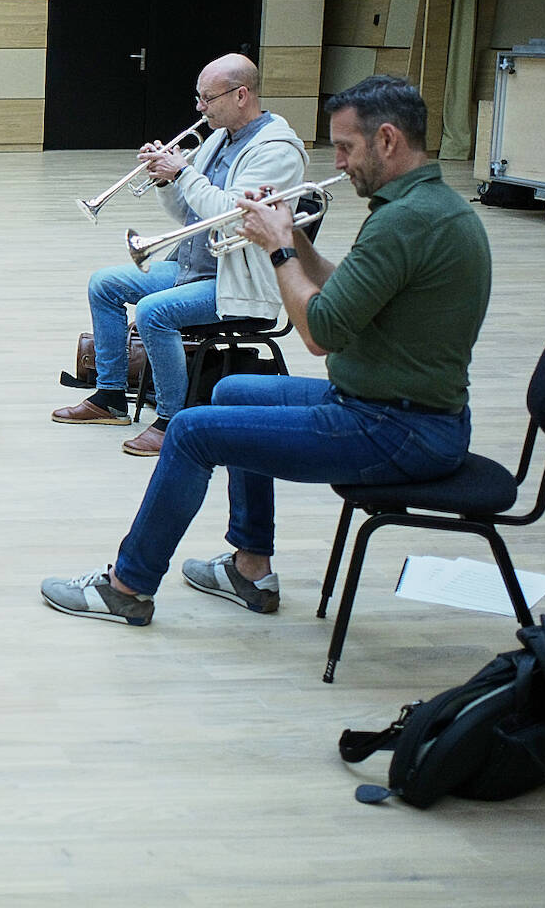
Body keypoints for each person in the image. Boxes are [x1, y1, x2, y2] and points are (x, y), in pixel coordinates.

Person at [40, 75, 491, 626]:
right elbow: (341, 290)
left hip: (394, 426)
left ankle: (126, 588)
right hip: (391, 407)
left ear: (388, 140)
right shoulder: (428, 208)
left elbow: (320, 334)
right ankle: (251, 568)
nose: (339, 163)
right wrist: (293, 234)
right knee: (233, 391)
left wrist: (279, 251)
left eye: (346, 148)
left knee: (190, 431)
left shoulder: (405, 223)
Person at [52, 54, 306, 456]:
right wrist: (165, 181)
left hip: (238, 284)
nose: (200, 108)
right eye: (198, 98)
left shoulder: (277, 151)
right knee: (104, 284)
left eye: (208, 98)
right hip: (193, 268)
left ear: (241, 95)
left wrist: (184, 173)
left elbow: (231, 217)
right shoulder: (220, 137)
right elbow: (188, 213)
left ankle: (173, 419)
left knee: (154, 312)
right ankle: (111, 397)